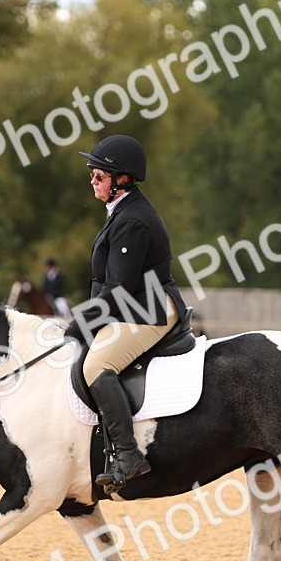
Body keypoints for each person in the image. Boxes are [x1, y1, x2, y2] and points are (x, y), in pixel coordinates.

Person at [64, 134, 186, 490]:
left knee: (97, 366)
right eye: (92, 174)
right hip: (135, 302)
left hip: (149, 307)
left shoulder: (133, 220)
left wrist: (77, 325)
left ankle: (128, 454)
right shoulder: (122, 211)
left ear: (122, 180)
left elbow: (116, 291)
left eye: (99, 176)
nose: (92, 181)